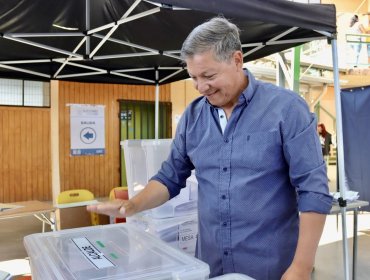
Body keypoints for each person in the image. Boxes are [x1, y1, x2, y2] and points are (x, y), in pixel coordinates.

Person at [87, 17, 332, 280]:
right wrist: (133, 205)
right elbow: (170, 177)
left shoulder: (286, 109)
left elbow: (313, 191)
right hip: (211, 266)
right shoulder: (193, 117)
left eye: (209, 75)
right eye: (193, 77)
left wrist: (301, 267)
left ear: (237, 60)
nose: (201, 87)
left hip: (273, 268)